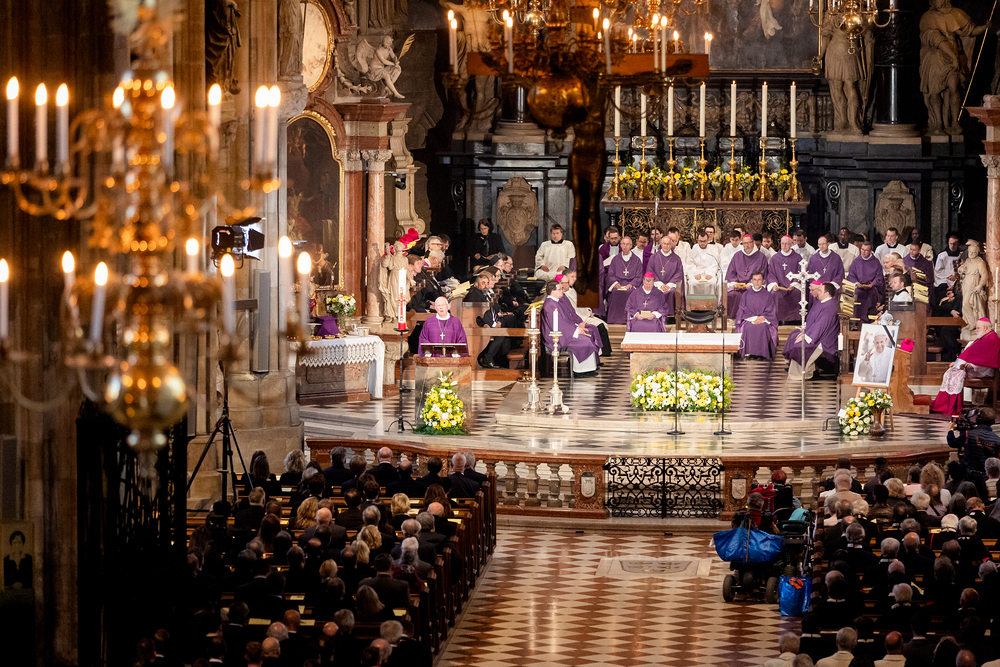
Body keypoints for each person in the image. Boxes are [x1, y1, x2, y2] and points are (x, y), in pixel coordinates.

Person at [931, 318, 1000, 414]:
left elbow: (987, 357)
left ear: (985, 327)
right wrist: (958, 362)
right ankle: (945, 404)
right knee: (950, 373)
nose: (976, 330)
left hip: (983, 369)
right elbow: (973, 354)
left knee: (955, 374)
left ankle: (951, 406)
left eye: (978, 328)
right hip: (977, 367)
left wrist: (968, 363)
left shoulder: (991, 339)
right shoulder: (985, 338)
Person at [541, 281, 602, 376]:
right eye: (560, 289)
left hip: (564, 333)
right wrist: (576, 331)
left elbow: (565, 320)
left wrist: (577, 327)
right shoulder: (550, 305)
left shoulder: (555, 302)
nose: (562, 290)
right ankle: (580, 371)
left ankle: (589, 367)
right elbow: (559, 324)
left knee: (588, 335)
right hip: (557, 337)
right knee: (584, 341)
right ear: (553, 291)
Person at [784, 283, 841, 380]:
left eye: (820, 291)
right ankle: (805, 369)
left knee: (800, 345)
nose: (818, 292)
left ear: (826, 293)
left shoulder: (830, 306)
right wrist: (805, 331)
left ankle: (803, 373)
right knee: (794, 337)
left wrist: (806, 336)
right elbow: (814, 321)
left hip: (824, 340)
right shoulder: (823, 302)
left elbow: (821, 325)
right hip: (817, 334)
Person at [465, 272, 513, 369]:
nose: (486, 286)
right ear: (476, 284)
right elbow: (481, 314)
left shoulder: (482, 294)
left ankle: (500, 359)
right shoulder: (475, 295)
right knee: (500, 335)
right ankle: (488, 359)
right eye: (483, 283)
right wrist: (493, 325)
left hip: (487, 321)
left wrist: (497, 321)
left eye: (487, 283)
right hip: (477, 324)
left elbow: (490, 311)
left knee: (506, 331)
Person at [735, 271, 778, 360]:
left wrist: (763, 317)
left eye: (759, 280)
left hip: (764, 320)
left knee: (763, 328)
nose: (757, 282)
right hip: (749, 319)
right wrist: (755, 318)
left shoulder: (768, 295)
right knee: (748, 327)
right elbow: (742, 310)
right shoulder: (745, 295)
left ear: (763, 281)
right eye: (755, 280)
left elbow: (771, 309)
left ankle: (762, 354)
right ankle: (749, 353)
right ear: (751, 281)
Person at [603, 235, 643, 324]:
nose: (625, 246)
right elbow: (610, 274)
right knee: (615, 292)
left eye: (627, 244)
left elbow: (639, 276)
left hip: (631, 285)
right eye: (623, 244)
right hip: (618, 285)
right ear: (620, 245)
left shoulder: (636, 260)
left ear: (631, 246)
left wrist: (631, 284)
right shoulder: (615, 259)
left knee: (631, 292)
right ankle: (614, 320)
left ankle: (630, 319)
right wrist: (615, 283)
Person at [726, 234, 768, 319]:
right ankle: (732, 318)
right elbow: (731, 272)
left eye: (749, 243)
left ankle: (750, 318)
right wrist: (735, 284)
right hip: (738, 287)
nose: (747, 245)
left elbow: (763, 273)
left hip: (753, 286)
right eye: (744, 243)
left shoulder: (761, 257)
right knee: (732, 294)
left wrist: (752, 284)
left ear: (753, 243)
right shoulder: (737, 256)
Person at [645, 234, 685, 318]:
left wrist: (669, 285)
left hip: (671, 286)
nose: (666, 246)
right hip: (657, 284)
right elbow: (650, 271)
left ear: (671, 245)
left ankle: (670, 316)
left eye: (668, 244)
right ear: (661, 244)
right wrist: (660, 284)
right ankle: (654, 316)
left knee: (672, 292)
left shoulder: (676, 259)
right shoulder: (654, 257)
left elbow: (679, 273)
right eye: (664, 244)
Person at [847, 241, 886, 325]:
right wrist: (856, 283)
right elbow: (851, 275)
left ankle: (868, 321)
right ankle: (856, 322)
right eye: (862, 249)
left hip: (872, 288)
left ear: (871, 251)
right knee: (857, 294)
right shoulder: (856, 261)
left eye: (866, 250)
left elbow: (879, 277)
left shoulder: (876, 262)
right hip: (859, 287)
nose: (863, 252)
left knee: (871, 296)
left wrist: (873, 284)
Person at [768, 235, 803, 323]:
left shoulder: (797, 258)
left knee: (797, 293)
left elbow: (800, 272)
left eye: (786, 244)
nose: (784, 246)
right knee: (775, 294)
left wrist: (794, 284)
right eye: (782, 243)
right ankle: (778, 321)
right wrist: (774, 284)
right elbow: (771, 273)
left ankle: (794, 320)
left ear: (791, 244)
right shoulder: (774, 258)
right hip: (779, 286)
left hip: (793, 286)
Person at [903, 240, 935, 312]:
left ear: (920, 250)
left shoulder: (927, 263)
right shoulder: (904, 261)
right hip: (908, 291)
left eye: (914, 250)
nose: (911, 252)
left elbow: (930, 281)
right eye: (910, 249)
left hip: (922, 292)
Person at [597, 226, 621, 305]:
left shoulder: (623, 247)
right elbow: (600, 264)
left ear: (619, 237)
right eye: (612, 238)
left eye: (615, 238)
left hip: (621, 272)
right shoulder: (603, 248)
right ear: (609, 238)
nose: (614, 240)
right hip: (607, 273)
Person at [934, 233, 962, 302]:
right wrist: (948, 276)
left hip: (957, 279)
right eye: (951, 244)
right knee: (942, 288)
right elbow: (938, 270)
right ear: (948, 243)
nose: (952, 246)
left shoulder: (961, 256)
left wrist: (955, 277)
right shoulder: (942, 256)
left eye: (954, 244)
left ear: (958, 244)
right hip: (944, 279)